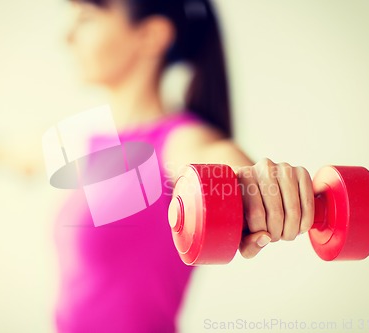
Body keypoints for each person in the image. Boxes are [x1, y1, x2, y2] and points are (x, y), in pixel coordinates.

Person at [54, 0, 315, 332]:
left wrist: (254, 184)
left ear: (151, 35)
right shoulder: (92, 141)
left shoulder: (178, 141)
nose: (67, 38)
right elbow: (22, 152)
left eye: (86, 18)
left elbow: (222, 165)